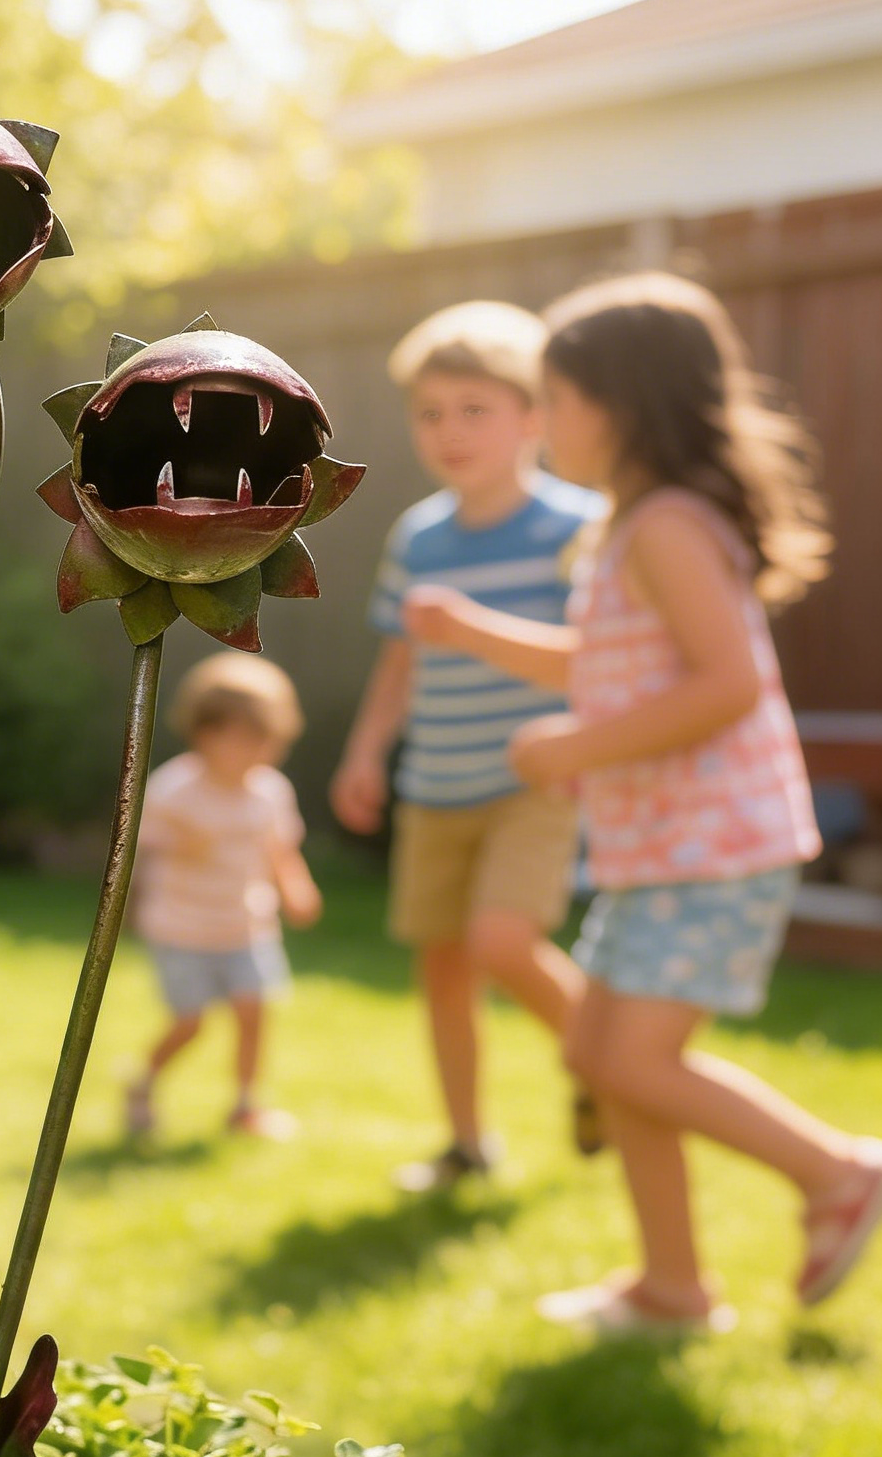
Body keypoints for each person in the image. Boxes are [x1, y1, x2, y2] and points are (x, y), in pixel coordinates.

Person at [405, 272, 882, 1332]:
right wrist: (477, 631)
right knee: (600, 1055)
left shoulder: (667, 523)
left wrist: (578, 744)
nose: (544, 419)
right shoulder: (632, 524)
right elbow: (611, 660)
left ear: (621, 402)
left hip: (712, 845)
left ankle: (837, 1169)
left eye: (556, 396)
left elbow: (722, 684)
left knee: (626, 1056)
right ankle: (670, 1286)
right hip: (658, 844)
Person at [332, 302, 605, 1193]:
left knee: (501, 941)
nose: (449, 431)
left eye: (475, 410)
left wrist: (474, 628)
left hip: (535, 780)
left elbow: (601, 666)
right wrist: (368, 752)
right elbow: (399, 660)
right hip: (435, 784)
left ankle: (606, 1060)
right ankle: (467, 1144)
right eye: (432, 413)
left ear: (534, 417)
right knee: (445, 970)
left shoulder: (580, 529)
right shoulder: (420, 536)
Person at [124, 651, 320, 1143]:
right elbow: (135, 846)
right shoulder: (176, 788)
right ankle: (142, 1082)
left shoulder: (269, 792)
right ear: (207, 732)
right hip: (182, 927)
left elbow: (279, 850)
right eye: (251, 739)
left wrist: (295, 888)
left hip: (245, 925)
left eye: (272, 740)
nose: (264, 752)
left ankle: (246, 1105)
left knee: (254, 1012)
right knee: (190, 1023)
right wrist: (177, 845)